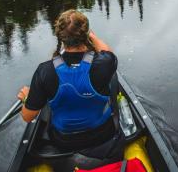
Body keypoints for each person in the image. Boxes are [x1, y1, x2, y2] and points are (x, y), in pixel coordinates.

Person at [17, 9, 122, 160]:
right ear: (85, 35)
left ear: (60, 36)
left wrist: (27, 97)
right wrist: (92, 36)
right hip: (103, 135)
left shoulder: (45, 70)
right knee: (112, 77)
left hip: (63, 141)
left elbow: (27, 117)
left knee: (45, 97)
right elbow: (108, 52)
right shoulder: (105, 63)